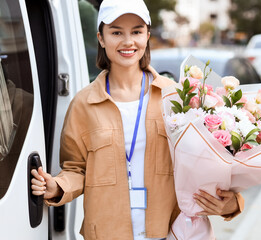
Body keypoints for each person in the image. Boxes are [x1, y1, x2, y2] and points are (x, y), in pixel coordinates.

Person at [31, 0, 244, 239]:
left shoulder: (175, 97)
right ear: (101, 38)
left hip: (169, 231)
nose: (128, 41)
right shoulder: (83, 104)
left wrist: (233, 203)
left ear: (147, 35)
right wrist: (58, 187)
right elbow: (76, 169)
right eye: (116, 32)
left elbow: (205, 165)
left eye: (136, 31)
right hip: (107, 232)